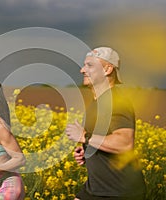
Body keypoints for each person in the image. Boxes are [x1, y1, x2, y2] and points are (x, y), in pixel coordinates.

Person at [65, 47, 146, 200]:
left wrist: (85, 137)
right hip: (96, 189)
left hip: (118, 192)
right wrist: (87, 151)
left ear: (108, 69)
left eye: (90, 65)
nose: (82, 70)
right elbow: (104, 139)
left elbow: (124, 143)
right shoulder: (96, 103)